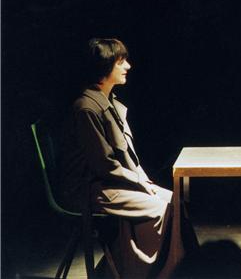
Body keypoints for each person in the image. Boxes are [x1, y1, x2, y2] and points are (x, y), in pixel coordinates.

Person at [61, 38, 196, 278]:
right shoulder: (86, 108)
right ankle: (150, 273)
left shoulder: (110, 103)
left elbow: (128, 156)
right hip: (90, 188)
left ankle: (187, 268)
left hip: (110, 183)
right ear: (105, 66)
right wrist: (139, 183)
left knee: (174, 200)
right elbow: (104, 165)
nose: (128, 66)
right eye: (121, 62)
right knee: (159, 208)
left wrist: (144, 181)